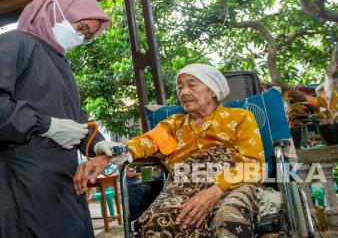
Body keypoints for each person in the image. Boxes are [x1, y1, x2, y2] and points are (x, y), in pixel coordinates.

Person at [0, 0, 115, 238]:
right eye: (81, 27)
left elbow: (74, 118)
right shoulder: (13, 43)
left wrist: (97, 144)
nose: (81, 37)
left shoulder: (61, 64)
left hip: (61, 181)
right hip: (20, 179)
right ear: (56, 11)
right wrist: (45, 125)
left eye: (88, 35)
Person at [74, 64, 266, 237]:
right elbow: (145, 142)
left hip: (231, 185)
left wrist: (214, 191)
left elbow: (253, 165)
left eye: (192, 85)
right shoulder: (174, 125)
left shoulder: (240, 117)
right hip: (182, 185)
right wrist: (106, 157)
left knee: (230, 218)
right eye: (180, 86)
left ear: (213, 90)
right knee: (154, 222)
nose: (184, 91)